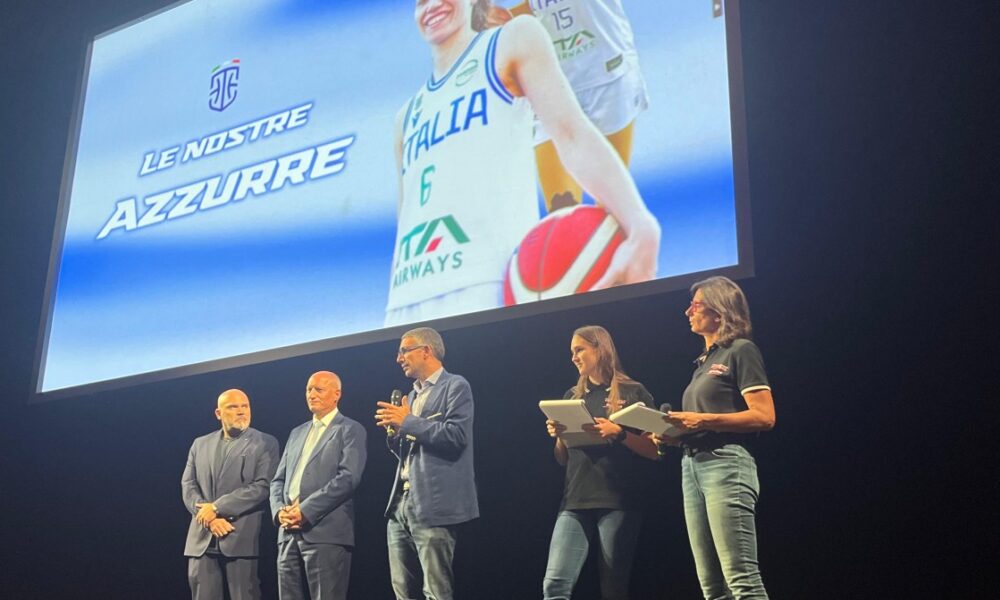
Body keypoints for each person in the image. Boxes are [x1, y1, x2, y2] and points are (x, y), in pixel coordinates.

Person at [385, 0, 660, 325]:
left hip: (484, 281)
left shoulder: (510, 43)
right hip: (406, 300)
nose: (431, 6)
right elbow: (406, 222)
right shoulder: (405, 118)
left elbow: (571, 134)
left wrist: (640, 223)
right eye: (420, 1)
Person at [653, 276, 776, 599]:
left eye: (695, 305)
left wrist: (702, 418)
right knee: (712, 587)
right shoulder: (702, 365)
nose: (687, 312)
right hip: (691, 467)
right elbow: (698, 426)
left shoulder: (741, 351)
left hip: (726, 464)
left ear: (719, 311)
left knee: (742, 579)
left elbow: (764, 416)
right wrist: (673, 436)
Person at [542, 325, 658, 600]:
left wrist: (619, 434)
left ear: (600, 349)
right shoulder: (573, 396)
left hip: (618, 501)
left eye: (579, 349)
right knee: (555, 584)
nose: (573, 357)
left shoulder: (633, 391)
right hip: (575, 500)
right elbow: (562, 459)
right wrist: (560, 437)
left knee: (613, 588)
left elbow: (654, 450)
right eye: (572, 351)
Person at [503, 0, 649, 212]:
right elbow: (533, 10)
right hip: (552, 86)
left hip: (608, 75)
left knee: (613, 207)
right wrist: (500, 20)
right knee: (562, 212)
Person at [375, 327, 478, 600]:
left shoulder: (455, 386)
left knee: (435, 591)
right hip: (400, 505)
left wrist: (407, 422)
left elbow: (456, 437)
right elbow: (408, 448)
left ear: (426, 351)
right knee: (402, 592)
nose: (399, 358)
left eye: (404, 350)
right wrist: (396, 433)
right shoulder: (412, 396)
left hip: (434, 504)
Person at [270, 371, 368, 600]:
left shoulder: (350, 429)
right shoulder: (297, 432)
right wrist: (278, 512)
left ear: (337, 394)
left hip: (326, 532)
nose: (311, 394)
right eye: (308, 389)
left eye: (319, 390)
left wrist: (305, 510)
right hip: (287, 533)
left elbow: (348, 478)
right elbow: (278, 480)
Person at [182, 389, 280, 600]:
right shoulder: (200, 444)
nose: (241, 412)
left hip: (241, 537)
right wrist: (209, 519)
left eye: (245, 406)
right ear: (219, 413)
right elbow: (188, 486)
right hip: (202, 539)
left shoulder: (265, 442)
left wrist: (216, 508)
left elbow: (263, 486)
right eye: (233, 407)